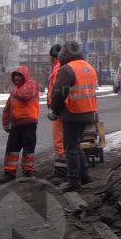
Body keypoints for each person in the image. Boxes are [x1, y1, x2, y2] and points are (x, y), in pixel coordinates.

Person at [49, 41, 97, 192]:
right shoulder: (88, 67)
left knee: (70, 147)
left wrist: (55, 111)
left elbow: (58, 93)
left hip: (72, 112)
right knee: (76, 144)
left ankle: (73, 180)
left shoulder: (67, 69)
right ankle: (85, 175)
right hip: (88, 112)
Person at [0, 65, 40, 183]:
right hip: (16, 125)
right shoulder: (15, 91)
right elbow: (7, 108)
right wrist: (5, 123)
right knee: (12, 149)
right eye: (15, 76)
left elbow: (24, 95)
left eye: (19, 76)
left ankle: (28, 171)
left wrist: (13, 91)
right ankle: (9, 172)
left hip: (29, 124)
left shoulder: (31, 85)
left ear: (25, 76)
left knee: (28, 149)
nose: (17, 78)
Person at [46, 44, 67, 182]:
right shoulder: (60, 67)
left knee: (59, 142)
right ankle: (62, 170)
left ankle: (61, 172)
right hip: (61, 108)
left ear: (54, 57)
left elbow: (57, 90)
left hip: (59, 109)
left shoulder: (59, 68)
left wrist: (54, 107)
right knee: (63, 141)